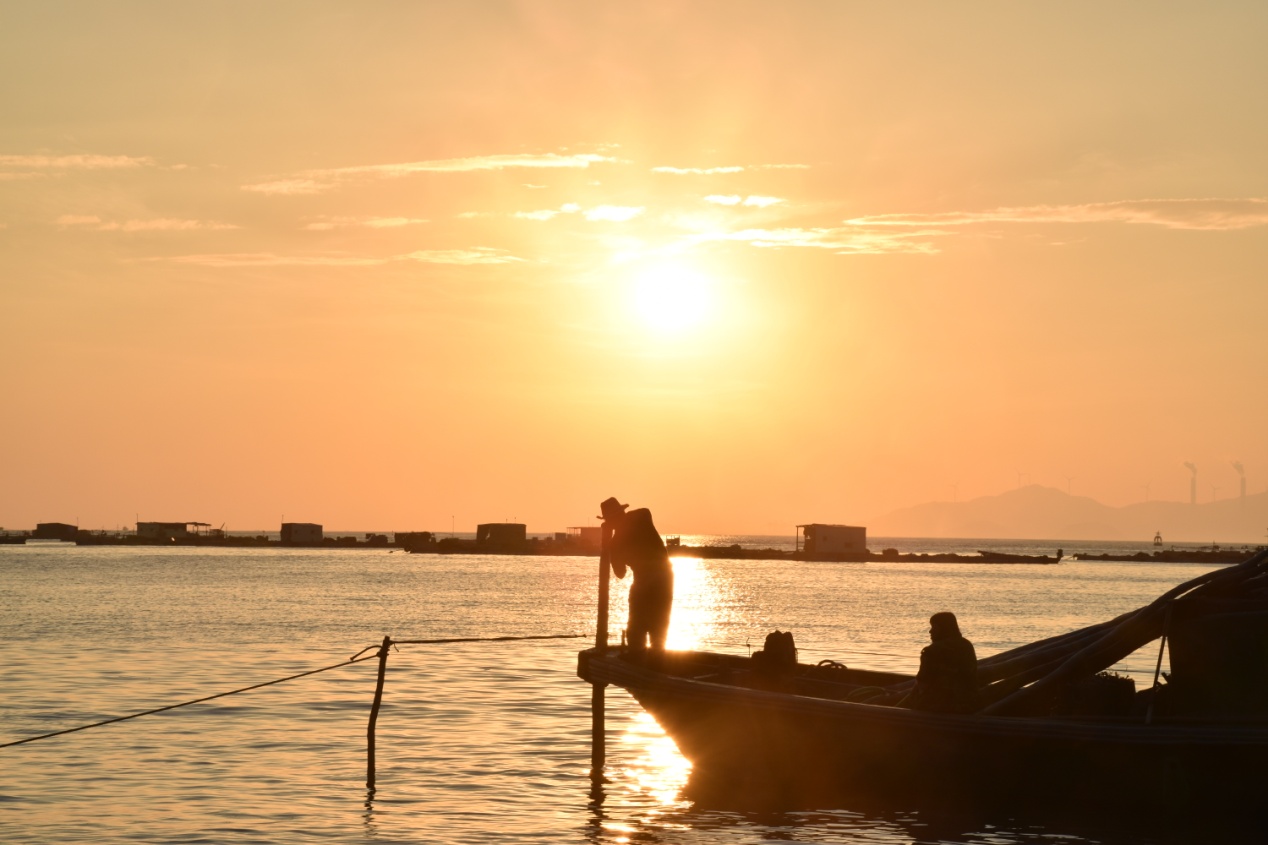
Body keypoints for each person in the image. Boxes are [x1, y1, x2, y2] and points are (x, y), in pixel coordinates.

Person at [600, 497, 673, 651]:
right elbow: (644, 511)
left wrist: (609, 542)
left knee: (637, 624)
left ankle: (637, 655)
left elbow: (620, 573)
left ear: (610, 521)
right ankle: (656, 655)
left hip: (645, 580)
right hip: (664, 576)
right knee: (659, 620)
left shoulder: (616, 542)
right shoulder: (641, 517)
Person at [905, 611, 978, 713]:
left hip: (936, 707)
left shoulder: (932, 651)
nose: (930, 631)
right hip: (968, 705)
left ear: (942, 629)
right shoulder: (967, 646)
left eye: (934, 627)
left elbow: (922, 683)